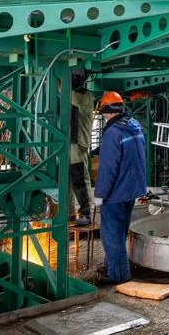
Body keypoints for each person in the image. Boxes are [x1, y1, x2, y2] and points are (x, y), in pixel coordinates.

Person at [93, 91, 147, 283]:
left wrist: (100, 194)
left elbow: (108, 169)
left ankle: (119, 276)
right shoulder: (134, 126)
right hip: (131, 189)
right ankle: (111, 268)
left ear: (107, 111)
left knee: (111, 236)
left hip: (115, 193)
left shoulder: (113, 132)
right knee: (118, 232)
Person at [68, 72, 95, 227]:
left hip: (77, 143)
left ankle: (87, 213)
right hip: (68, 143)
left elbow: (68, 95)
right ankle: (68, 213)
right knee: (65, 181)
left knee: (79, 179)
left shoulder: (84, 96)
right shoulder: (75, 94)